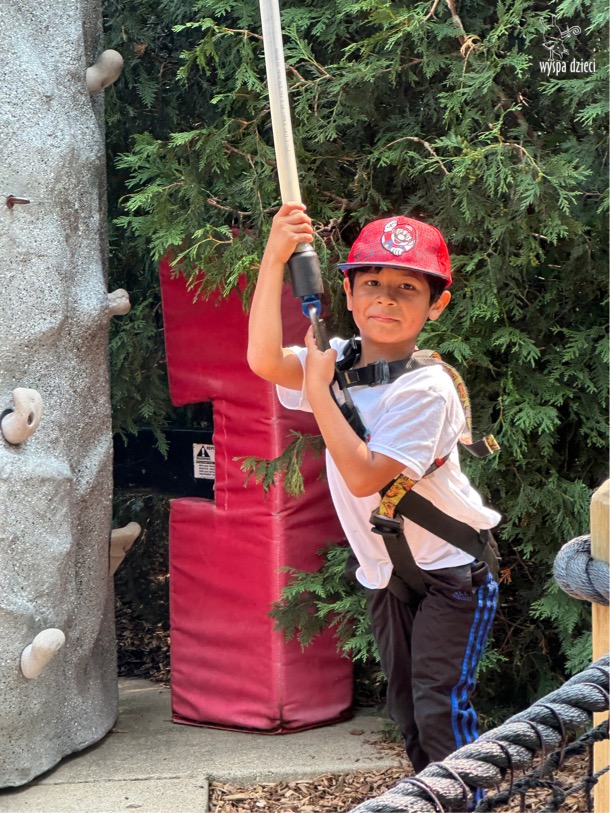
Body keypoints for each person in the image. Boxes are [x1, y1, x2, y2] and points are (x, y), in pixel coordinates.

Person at [247, 202, 501, 774]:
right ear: (348, 292)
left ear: (436, 305)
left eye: (407, 288)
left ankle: (467, 803)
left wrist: (319, 392)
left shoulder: (426, 389)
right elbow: (263, 359)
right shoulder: (337, 359)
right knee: (407, 711)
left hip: (452, 572)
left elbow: (364, 474)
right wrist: (274, 258)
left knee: (439, 710)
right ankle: (428, 800)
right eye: (372, 283)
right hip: (389, 573)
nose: (386, 298)